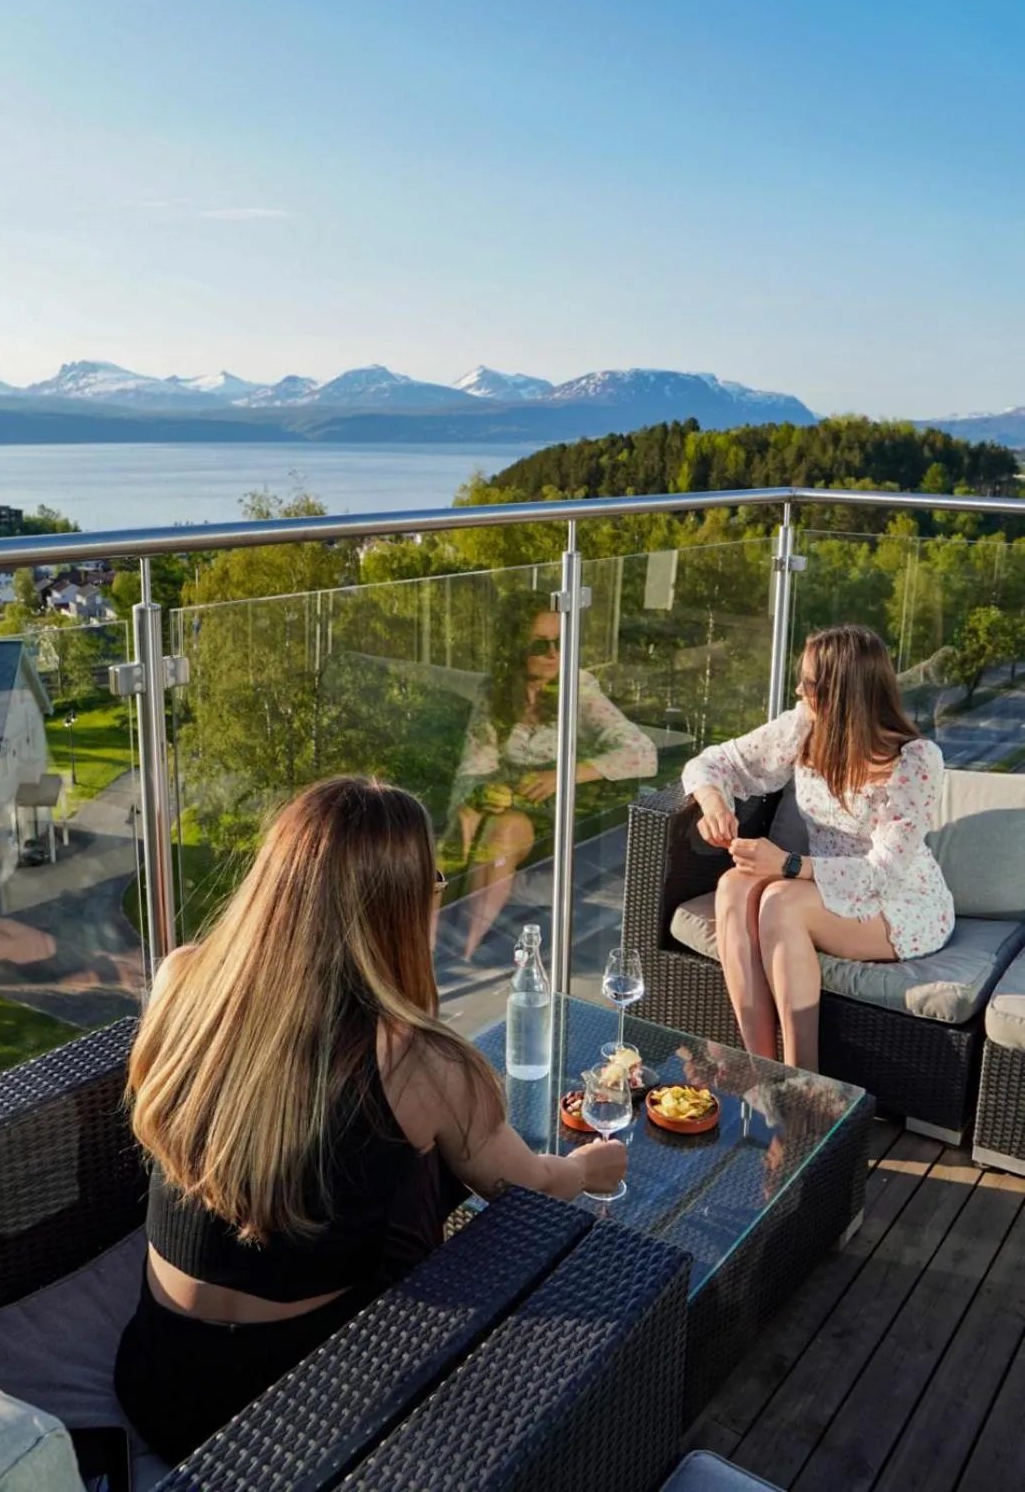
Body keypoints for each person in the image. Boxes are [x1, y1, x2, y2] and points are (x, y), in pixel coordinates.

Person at [114, 775, 625, 1465]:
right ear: (399, 909)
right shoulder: (417, 1059)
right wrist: (587, 1168)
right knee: (430, 1163)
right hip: (289, 1410)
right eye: (435, 882)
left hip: (154, 1375)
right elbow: (525, 1188)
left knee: (391, 1148)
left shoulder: (182, 978)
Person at [681, 624, 954, 1073]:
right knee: (732, 885)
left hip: (900, 903)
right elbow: (712, 762)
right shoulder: (803, 727)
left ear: (842, 692)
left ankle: (802, 1081)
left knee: (781, 902)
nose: (797, 690)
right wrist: (713, 805)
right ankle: (761, 1069)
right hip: (821, 884)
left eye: (807, 682)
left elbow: (884, 872)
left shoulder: (916, 761)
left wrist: (787, 864)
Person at [447, 589, 657, 962]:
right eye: (539, 644)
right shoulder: (494, 691)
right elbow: (473, 767)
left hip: (565, 816)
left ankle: (459, 953)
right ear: (513, 646)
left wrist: (565, 774)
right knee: (458, 828)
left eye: (560, 642)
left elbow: (642, 753)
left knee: (503, 830)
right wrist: (481, 793)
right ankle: (426, 952)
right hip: (510, 802)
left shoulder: (577, 688)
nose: (552, 654)